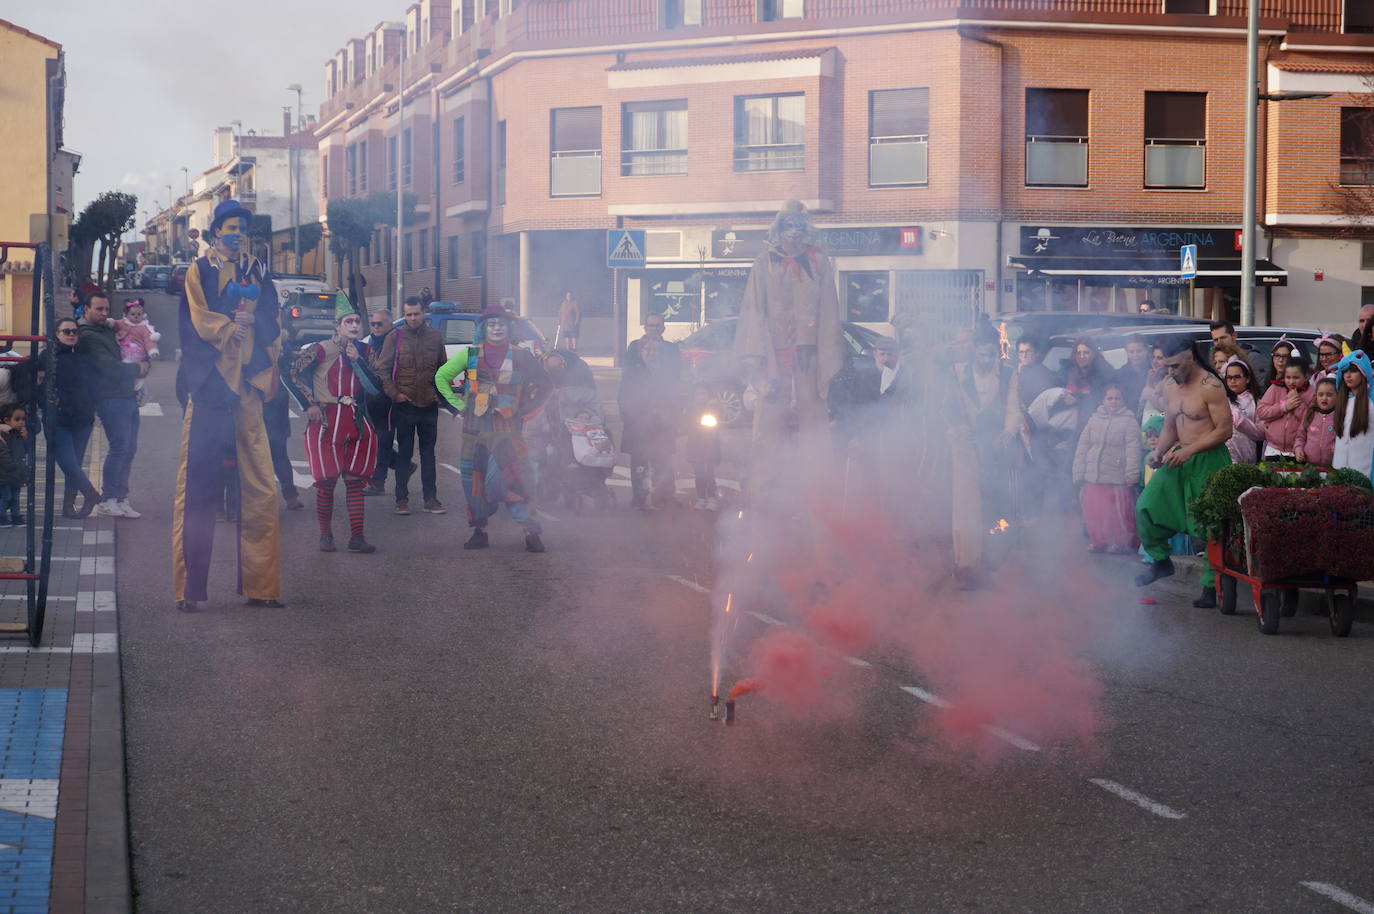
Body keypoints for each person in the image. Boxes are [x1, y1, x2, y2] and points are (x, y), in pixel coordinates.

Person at [171, 200, 284, 611]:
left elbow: (273, 314)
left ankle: (262, 587)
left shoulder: (258, 271)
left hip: (247, 389)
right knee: (198, 488)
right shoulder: (199, 270)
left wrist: (259, 322)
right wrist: (225, 328)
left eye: (242, 227)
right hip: (210, 389)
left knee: (259, 486)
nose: (237, 233)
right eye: (231, 226)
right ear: (216, 230)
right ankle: (190, 590)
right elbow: (195, 319)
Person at [435, 305, 553, 552]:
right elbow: (441, 377)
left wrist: (524, 411)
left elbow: (545, 384)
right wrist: (458, 406)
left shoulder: (522, 356)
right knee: (475, 483)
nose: (497, 328)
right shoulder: (469, 354)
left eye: (501, 324)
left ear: (508, 328)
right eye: (491, 324)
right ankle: (480, 532)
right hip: (474, 432)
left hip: (508, 432)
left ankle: (530, 533)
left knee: (518, 480)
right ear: (483, 328)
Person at [734, 200, 845, 451]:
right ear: (779, 228)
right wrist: (756, 354)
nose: (793, 231)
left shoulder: (818, 261)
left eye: (798, 225)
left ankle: (812, 476)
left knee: (812, 417)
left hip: (809, 353)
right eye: (788, 225)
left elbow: (828, 309)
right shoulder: (765, 261)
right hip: (774, 353)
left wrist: (827, 350)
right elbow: (754, 308)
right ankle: (769, 475)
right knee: (771, 418)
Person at [1134, 336, 1233, 608]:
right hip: (1178, 457)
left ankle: (1211, 587)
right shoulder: (1169, 385)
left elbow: (1225, 430)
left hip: (1208, 459)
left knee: (1210, 526)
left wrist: (1190, 451)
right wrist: (1159, 452)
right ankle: (1161, 561)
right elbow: (1170, 425)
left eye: (1175, 366)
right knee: (1146, 507)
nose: (1171, 372)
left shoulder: (1211, 386)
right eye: (1167, 367)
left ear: (1189, 358)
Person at [289, 298, 382, 555]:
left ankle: (357, 537)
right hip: (327, 422)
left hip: (356, 421)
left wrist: (357, 361)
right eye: (348, 321)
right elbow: (292, 372)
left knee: (354, 483)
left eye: (356, 321)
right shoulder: (320, 349)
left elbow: (376, 387)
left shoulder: (365, 351)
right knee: (327, 482)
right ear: (337, 326)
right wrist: (309, 403)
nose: (354, 325)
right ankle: (325, 535)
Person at [947, 324, 1018, 587]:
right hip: (965, 447)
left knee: (996, 503)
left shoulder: (1009, 373)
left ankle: (995, 556)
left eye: (990, 354)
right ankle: (965, 562)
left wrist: (1007, 433)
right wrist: (959, 427)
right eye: (981, 354)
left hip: (996, 448)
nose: (986, 360)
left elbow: (1013, 408)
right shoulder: (957, 372)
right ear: (973, 351)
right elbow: (948, 406)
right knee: (966, 508)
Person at [374, 297, 449, 515]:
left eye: (416, 313)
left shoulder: (435, 337)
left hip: (429, 405)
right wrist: (394, 394)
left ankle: (431, 499)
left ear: (424, 313)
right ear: (404, 315)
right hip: (404, 404)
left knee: (429, 455)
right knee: (404, 454)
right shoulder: (394, 337)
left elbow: (443, 369)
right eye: (408, 314)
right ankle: (401, 499)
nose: (413, 318)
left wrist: (441, 395)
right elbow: (382, 370)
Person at [77, 293, 144, 519]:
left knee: (129, 448)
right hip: (110, 397)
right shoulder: (87, 335)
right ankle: (109, 499)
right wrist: (140, 368)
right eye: (99, 309)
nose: (105, 313)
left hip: (126, 395)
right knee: (119, 447)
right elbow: (109, 367)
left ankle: (121, 497)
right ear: (86, 309)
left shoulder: (106, 329)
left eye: (107, 309)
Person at [1072, 384, 1141, 553]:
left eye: (1117, 398)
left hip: (1116, 475)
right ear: (1103, 400)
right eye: (1110, 398)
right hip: (1094, 474)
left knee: (1116, 513)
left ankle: (1119, 542)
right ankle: (1099, 541)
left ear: (1123, 401)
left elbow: (1133, 449)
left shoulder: (1129, 421)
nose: (1113, 402)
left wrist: (1131, 473)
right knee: (1095, 512)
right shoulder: (1094, 419)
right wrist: (1079, 472)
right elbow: (1083, 446)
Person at [619, 337, 681, 511]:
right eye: (646, 350)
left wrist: (671, 417)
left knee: (662, 461)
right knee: (639, 463)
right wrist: (631, 418)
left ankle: (661, 497)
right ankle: (639, 498)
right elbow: (624, 397)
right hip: (638, 425)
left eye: (654, 350)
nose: (650, 353)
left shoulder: (666, 373)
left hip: (662, 425)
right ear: (640, 352)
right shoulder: (633, 372)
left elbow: (674, 397)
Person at [48, 318, 101, 517]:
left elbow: (95, 385)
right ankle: (90, 494)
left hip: (82, 419)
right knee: (68, 462)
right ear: (57, 334)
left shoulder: (85, 357)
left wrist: (92, 406)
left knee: (75, 465)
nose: (71, 335)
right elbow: (34, 381)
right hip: (58, 420)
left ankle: (68, 507)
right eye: (66, 331)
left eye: (74, 332)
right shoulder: (48, 356)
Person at [263, 328, 304, 512]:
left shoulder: (279, 339)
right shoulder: (251, 336)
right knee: (243, 458)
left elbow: (289, 369)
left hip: (275, 410)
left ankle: (291, 496)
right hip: (251, 406)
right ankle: (236, 502)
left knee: (279, 454)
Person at [363, 310, 401, 496]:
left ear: (390, 324)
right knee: (373, 440)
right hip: (371, 399)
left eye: (380, 324)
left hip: (388, 399)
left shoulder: (394, 342)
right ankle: (405, 464)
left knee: (383, 440)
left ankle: (378, 482)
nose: (376, 327)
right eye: (373, 324)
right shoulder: (371, 342)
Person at [1256, 359, 1314, 460]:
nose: (1291, 382)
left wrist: (1298, 405)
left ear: (1306, 377)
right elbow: (1261, 412)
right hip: (1273, 449)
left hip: (1297, 451)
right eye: (1288, 377)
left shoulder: (1312, 393)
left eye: (1296, 377)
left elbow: (1310, 421)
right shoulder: (1276, 388)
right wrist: (1284, 407)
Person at [1331, 351, 1374, 476]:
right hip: (1340, 468)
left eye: (1353, 371)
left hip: (1366, 470)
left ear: (1364, 372)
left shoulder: (1371, 399)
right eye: (1344, 371)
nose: (1348, 375)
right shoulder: (1342, 399)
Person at [1220, 356, 1264, 465]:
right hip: (1224, 455)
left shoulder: (1256, 402)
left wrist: (1242, 422)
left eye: (1237, 377)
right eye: (1229, 377)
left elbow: (1261, 434)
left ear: (1247, 378)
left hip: (1246, 458)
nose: (1232, 381)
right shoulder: (1222, 400)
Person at [1060, 337, 1109, 434]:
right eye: (1078, 353)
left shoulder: (1103, 373)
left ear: (1094, 354)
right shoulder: (1070, 372)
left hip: (1093, 426)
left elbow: (1103, 400)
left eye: (1086, 352)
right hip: (1068, 426)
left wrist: (1078, 399)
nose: (1082, 356)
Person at [685, 383, 722, 510]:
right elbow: (687, 426)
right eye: (698, 394)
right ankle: (701, 497)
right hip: (695, 447)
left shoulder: (713, 408)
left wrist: (711, 408)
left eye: (704, 393)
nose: (701, 397)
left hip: (710, 447)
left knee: (709, 473)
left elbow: (714, 426)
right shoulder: (691, 410)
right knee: (699, 473)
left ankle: (712, 497)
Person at [1294, 377, 1339, 468]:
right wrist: (1298, 449)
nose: (1324, 398)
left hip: (1333, 469)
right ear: (1316, 396)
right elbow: (1300, 437)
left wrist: (1338, 448)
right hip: (1309, 467)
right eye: (1320, 394)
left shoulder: (1340, 417)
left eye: (1329, 395)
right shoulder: (1310, 414)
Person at [0, 404, 27, 527]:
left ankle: (16, 516)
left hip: (16, 473)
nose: (21, 422)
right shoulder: (3, 437)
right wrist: (13, 466)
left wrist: (25, 438)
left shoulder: (18, 435)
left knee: (15, 497)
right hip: (5, 474)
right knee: (6, 496)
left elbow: (25, 450)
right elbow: (3, 454)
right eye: (17, 419)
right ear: (6, 421)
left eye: (23, 419)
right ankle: (2, 517)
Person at [1114, 335, 1151, 412]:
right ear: (1127, 353)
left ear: (1146, 351)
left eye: (1139, 351)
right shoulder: (1119, 375)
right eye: (1131, 352)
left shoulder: (1154, 371)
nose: (1135, 355)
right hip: (1127, 417)